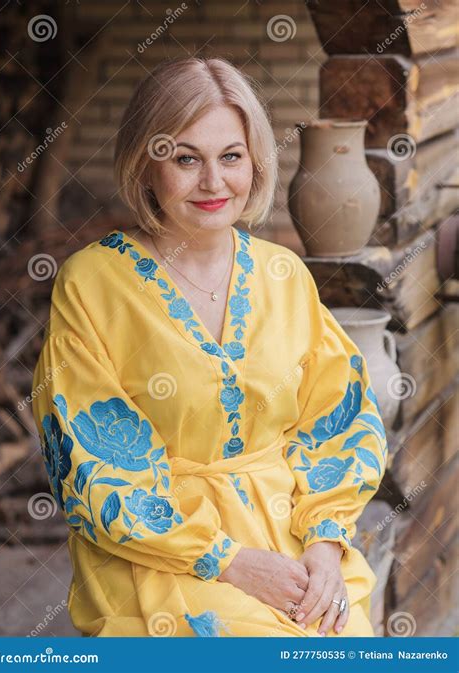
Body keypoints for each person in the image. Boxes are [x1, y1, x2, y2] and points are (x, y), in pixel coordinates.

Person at [31, 56, 388, 638]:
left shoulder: (284, 274)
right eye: (184, 158)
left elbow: (337, 417)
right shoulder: (92, 283)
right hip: (157, 552)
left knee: (346, 640)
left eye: (231, 157)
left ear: (255, 162)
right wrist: (232, 562)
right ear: (145, 165)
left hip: (289, 537)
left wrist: (325, 543)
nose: (213, 182)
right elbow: (92, 463)